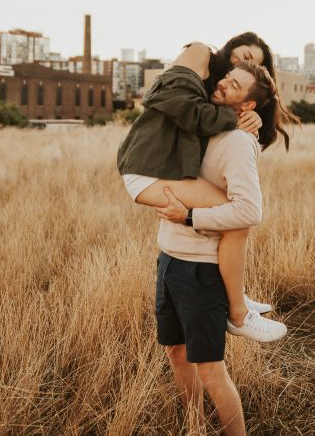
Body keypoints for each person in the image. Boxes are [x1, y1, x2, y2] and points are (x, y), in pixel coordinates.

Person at [147, 61, 294, 435]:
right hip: (169, 260)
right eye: (227, 78)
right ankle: (194, 426)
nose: (224, 84)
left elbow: (249, 210)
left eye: (234, 86)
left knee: (212, 370)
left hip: (201, 270)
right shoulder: (200, 122)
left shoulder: (237, 142)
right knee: (176, 353)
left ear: (246, 107)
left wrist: (191, 216)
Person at [117, 34, 292, 340]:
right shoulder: (200, 53)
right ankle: (237, 313)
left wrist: (243, 115)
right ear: (232, 46)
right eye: (245, 56)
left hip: (160, 168)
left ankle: (235, 297)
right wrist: (231, 116)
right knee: (240, 215)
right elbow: (172, 101)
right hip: (148, 169)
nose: (245, 64)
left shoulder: (217, 95)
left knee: (237, 216)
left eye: (255, 64)